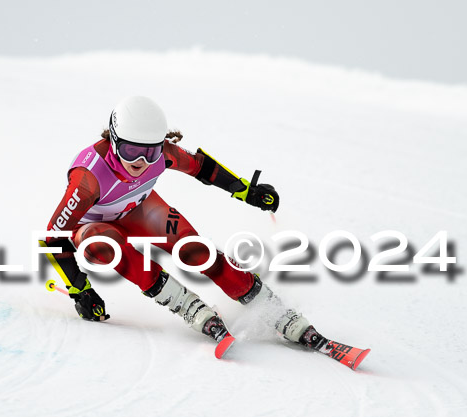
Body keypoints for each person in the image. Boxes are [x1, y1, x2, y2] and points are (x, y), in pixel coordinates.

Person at [41, 96, 324, 351]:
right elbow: (53, 238)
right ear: (113, 141)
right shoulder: (88, 179)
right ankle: (186, 306)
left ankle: (273, 309)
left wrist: (246, 191)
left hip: (138, 209)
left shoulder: (165, 153)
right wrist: (81, 290)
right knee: (101, 242)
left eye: (150, 153)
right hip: (96, 227)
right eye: (129, 151)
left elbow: (203, 167)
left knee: (196, 252)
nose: (139, 161)